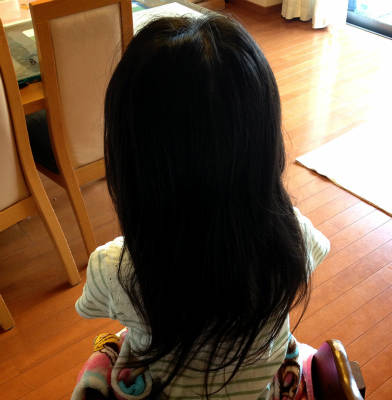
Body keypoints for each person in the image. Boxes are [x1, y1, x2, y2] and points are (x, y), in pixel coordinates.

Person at [75, 14, 330, 400]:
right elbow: (321, 247)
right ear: (264, 145)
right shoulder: (295, 238)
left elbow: (88, 307)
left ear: (132, 163)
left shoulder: (115, 268)